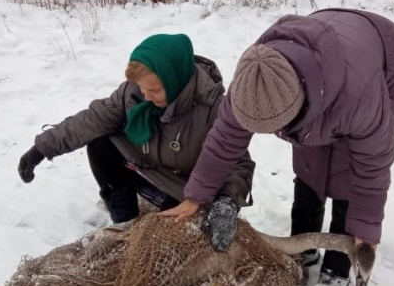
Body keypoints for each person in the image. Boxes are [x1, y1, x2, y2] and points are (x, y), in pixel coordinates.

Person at [160, 9, 394, 286]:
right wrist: (196, 195)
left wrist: (366, 231)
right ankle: (303, 246)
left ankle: (337, 266)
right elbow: (225, 139)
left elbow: (372, 166)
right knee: (310, 162)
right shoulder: (253, 81)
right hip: (322, 54)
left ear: (300, 105)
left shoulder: (360, 97)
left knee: (346, 175)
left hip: (384, 57)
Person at [16, 33, 255, 244]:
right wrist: (41, 148)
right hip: (147, 168)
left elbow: (238, 163)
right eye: (143, 88)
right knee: (101, 144)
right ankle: (124, 219)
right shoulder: (133, 93)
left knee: (171, 239)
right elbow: (92, 119)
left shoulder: (213, 109)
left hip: (186, 189)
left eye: (155, 90)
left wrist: (226, 202)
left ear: (175, 81)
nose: (146, 96)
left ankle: (164, 208)